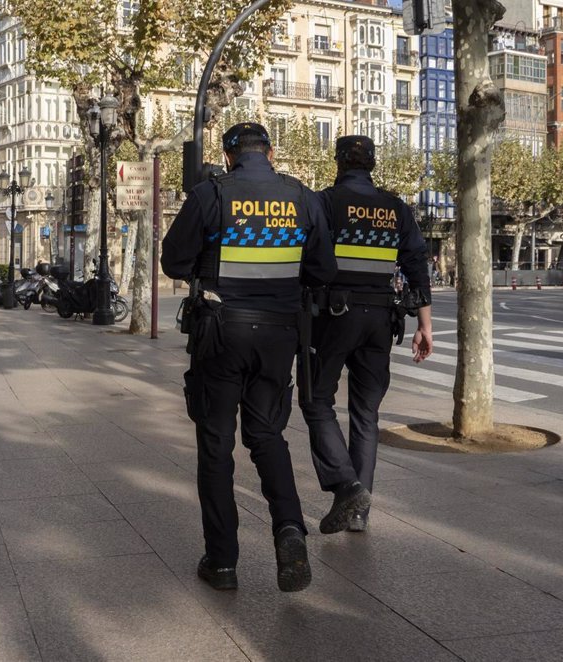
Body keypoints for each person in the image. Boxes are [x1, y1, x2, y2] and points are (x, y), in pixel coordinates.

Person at [161, 122, 337, 593]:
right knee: (267, 436)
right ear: (271, 152)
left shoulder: (211, 194)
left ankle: (222, 562)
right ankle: (290, 529)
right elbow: (323, 270)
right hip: (279, 334)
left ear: (228, 153)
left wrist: (208, 263)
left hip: (220, 332)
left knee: (216, 445)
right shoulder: (303, 197)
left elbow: (173, 261)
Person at [299, 135, 433, 535]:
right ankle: (359, 513)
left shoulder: (323, 202)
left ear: (338, 162)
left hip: (332, 316)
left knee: (316, 399)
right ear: (373, 163)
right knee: (366, 414)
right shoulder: (396, 208)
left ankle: (348, 484)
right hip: (381, 319)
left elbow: (306, 256)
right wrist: (425, 324)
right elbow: (416, 267)